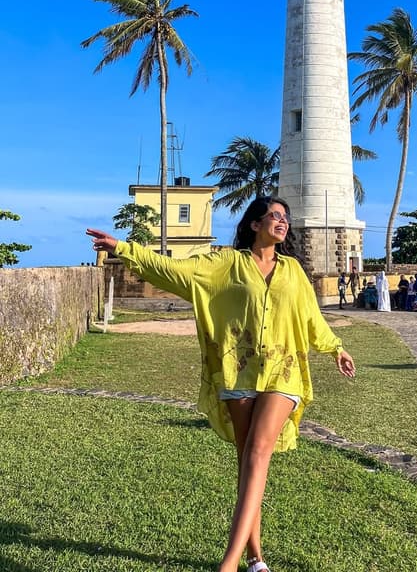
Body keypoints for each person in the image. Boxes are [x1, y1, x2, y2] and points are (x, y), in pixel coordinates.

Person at [87, 196, 355, 572]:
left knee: (259, 453)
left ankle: (227, 565)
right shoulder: (225, 264)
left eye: (286, 218)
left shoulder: (294, 270)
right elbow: (172, 269)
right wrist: (124, 248)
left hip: (284, 369)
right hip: (238, 370)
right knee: (248, 464)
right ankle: (256, 558)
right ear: (253, 225)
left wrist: (336, 348)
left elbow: (312, 318)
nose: (283, 222)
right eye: (274, 216)